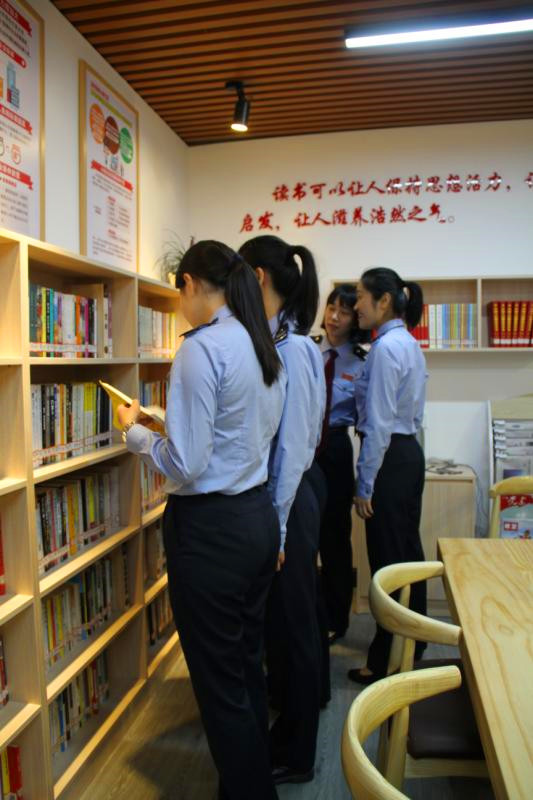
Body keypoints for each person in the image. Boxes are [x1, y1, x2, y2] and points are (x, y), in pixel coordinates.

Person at [117, 240, 286, 800]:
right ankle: (251, 783)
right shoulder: (258, 342)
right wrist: (165, 422)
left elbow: (188, 463)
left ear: (189, 283)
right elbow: (237, 431)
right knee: (244, 667)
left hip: (211, 534)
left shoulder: (200, 348)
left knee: (219, 687)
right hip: (256, 518)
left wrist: (136, 435)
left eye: (178, 295)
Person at [238, 235, 326, 786]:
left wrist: (278, 525)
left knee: (294, 630)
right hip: (289, 495)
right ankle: (290, 732)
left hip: (290, 497)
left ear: (259, 277)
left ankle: (297, 754)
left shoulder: (291, 348)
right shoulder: (280, 340)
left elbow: (293, 448)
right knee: (290, 625)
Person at [349, 267, 427, 685]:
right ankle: (415, 642)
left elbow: (378, 425)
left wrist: (365, 485)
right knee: (408, 554)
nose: (356, 305)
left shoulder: (384, 349)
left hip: (388, 460)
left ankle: (384, 661)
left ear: (383, 301)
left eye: (361, 296)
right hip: (408, 454)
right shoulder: (409, 343)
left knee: (387, 563)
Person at [314, 284, 370, 645]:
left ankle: (337, 617)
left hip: (335, 447)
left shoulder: (362, 362)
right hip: (305, 447)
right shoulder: (307, 350)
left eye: (344, 312)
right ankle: (307, 613)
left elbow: (366, 420)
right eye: (331, 308)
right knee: (303, 534)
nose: (334, 317)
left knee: (334, 536)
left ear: (355, 319)